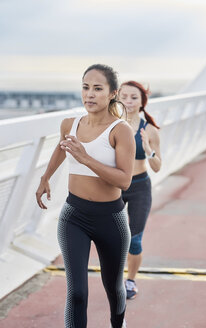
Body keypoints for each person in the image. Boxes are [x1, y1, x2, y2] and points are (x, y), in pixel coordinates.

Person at [36, 64, 135, 328]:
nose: (89, 94)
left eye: (97, 89)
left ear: (112, 93)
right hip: (74, 216)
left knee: (114, 289)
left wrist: (85, 158)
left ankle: (118, 323)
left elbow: (124, 180)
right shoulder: (70, 124)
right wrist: (45, 178)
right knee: (77, 293)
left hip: (110, 219)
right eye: (85, 87)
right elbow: (61, 148)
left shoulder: (120, 130)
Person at [118, 81, 161, 300]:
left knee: (134, 240)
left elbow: (157, 166)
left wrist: (148, 150)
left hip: (140, 187)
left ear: (142, 101)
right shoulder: (112, 125)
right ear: (117, 98)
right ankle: (115, 278)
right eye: (124, 96)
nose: (128, 101)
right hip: (115, 186)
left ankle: (131, 280)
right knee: (114, 238)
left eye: (134, 97)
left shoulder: (150, 129)